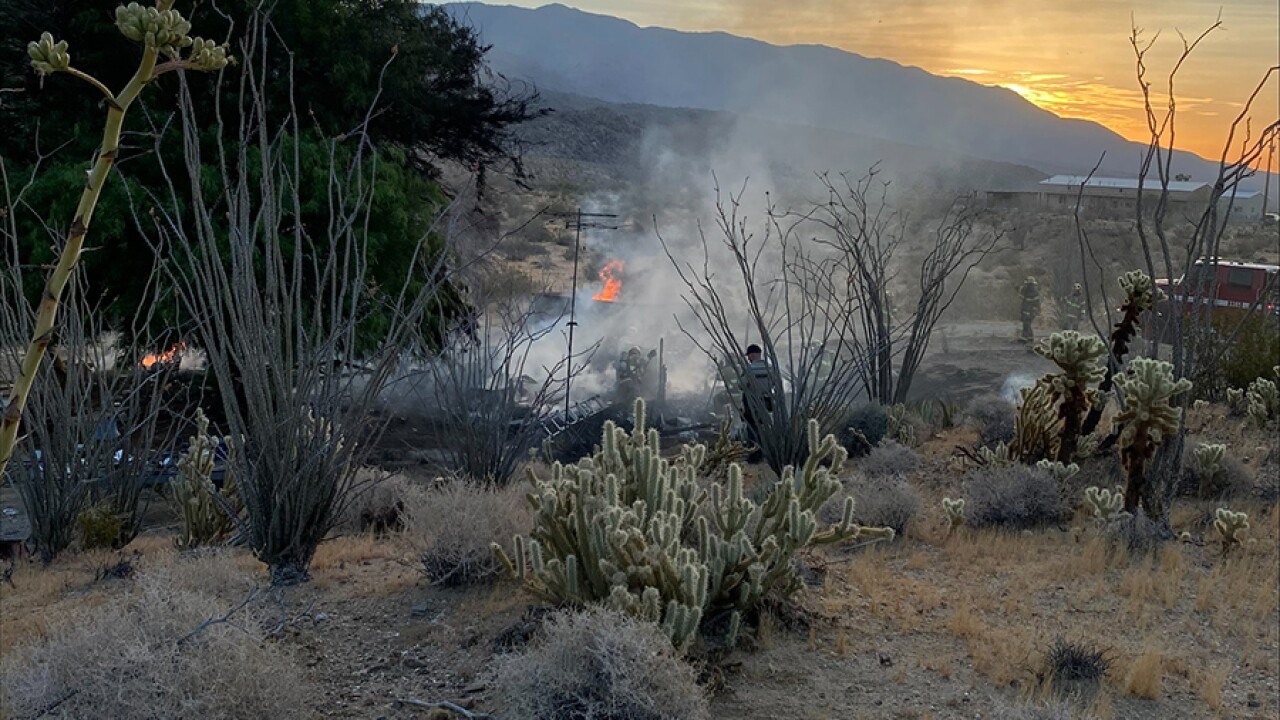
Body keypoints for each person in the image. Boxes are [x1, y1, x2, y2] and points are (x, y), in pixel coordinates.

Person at [740, 344, 773, 447]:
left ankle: (754, 450)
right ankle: (767, 446)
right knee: (765, 425)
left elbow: (741, 385)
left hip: (751, 403)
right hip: (767, 402)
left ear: (752, 355)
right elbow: (775, 383)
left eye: (749, 356)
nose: (748, 358)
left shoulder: (749, 369)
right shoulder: (770, 367)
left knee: (752, 426)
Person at [1018, 276, 1041, 346]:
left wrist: (1034, 311)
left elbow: (1036, 303)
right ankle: (1024, 338)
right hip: (1026, 310)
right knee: (1025, 324)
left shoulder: (1034, 292)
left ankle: (1030, 339)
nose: (1029, 286)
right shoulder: (1025, 290)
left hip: (1030, 311)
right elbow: (1021, 298)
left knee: (1027, 324)